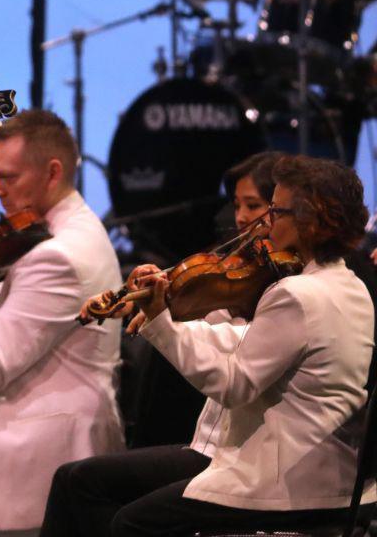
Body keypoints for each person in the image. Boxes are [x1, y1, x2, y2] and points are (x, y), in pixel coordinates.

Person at [82, 155, 374, 535]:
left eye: (275, 211)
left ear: (310, 221)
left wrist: (160, 323)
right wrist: (166, 320)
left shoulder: (297, 294)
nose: (266, 222)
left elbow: (233, 385)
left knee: (132, 523)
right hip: (334, 481)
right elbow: (243, 343)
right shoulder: (351, 286)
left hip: (285, 483)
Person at [40, 150, 284, 537]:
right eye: (236, 205)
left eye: (253, 206)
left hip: (245, 460)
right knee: (77, 479)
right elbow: (213, 319)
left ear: (282, 210)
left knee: (93, 492)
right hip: (208, 447)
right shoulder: (243, 268)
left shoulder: (291, 289)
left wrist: (163, 318)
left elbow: (235, 350)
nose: (240, 218)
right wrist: (161, 299)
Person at [0, 109, 125, 535]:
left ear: (52, 172)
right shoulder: (56, 235)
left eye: (9, 177)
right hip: (55, 452)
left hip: (45, 457)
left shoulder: (58, 255)